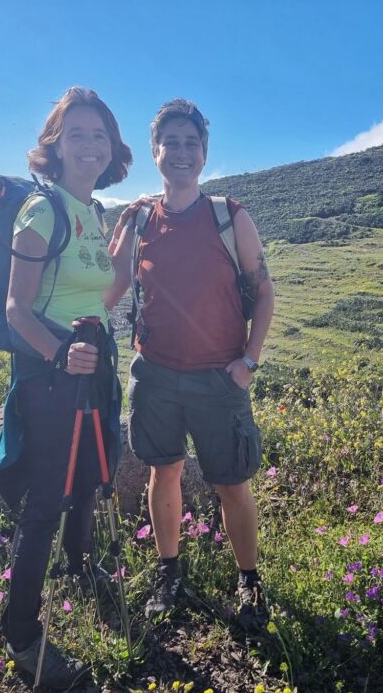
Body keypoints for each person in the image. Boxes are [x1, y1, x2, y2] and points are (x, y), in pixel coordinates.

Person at [110, 99, 276, 630]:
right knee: (165, 470)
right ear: (155, 152)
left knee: (232, 482)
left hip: (218, 375)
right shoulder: (137, 220)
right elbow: (108, 289)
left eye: (191, 143)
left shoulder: (230, 216)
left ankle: (249, 580)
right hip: (155, 373)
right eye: (171, 143)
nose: (181, 153)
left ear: (204, 153)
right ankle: (169, 572)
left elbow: (264, 288)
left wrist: (250, 360)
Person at [0, 86, 131, 688]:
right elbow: (16, 308)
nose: (90, 144)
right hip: (52, 368)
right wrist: (57, 355)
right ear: (55, 144)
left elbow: (105, 293)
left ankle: (82, 568)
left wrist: (130, 232)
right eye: (77, 133)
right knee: (45, 501)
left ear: (112, 147)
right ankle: (22, 635)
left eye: (100, 134)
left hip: (91, 356)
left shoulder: (93, 212)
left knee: (91, 475)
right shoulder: (42, 210)